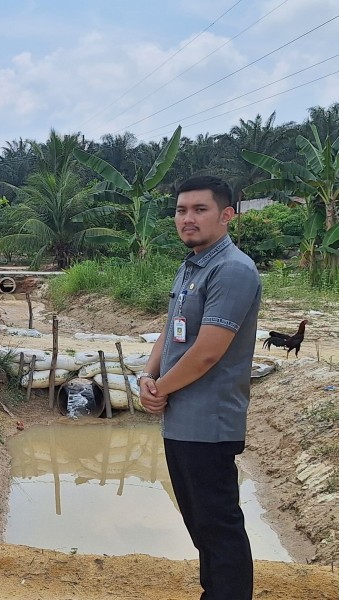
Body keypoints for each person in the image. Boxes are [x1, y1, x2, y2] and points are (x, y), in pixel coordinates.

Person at [138, 175, 261, 600]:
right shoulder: (193, 265)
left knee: (218, 526)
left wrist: (163, 389)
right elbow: (171, 331)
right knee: (201, 524)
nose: (187, 219)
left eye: (199, 209)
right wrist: (148, 376)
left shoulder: (232, 270)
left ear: (226, 216)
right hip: (181, 421)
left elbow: (208, 350)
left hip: (209, 423)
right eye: (180, 210)